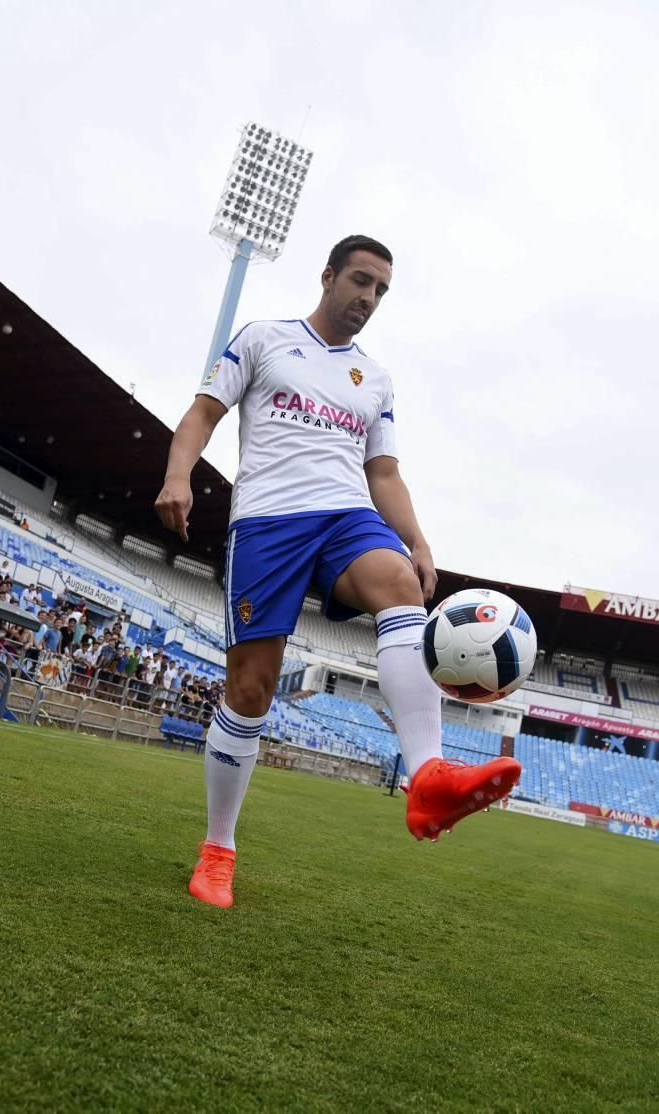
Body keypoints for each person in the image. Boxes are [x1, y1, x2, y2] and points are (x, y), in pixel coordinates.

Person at [155, 233, 521, 909]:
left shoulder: (375, 379)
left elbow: (383, 472)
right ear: (327, 277)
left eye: (380, 290)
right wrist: (178, 475)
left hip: (347, 516)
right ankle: (219, 848)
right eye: (359, 281)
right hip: (268, 522)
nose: (368, 298)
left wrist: (417, 539)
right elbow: (202, 414)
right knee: (252, 690)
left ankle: (428, 780)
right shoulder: (264, 339)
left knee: (402, 586)